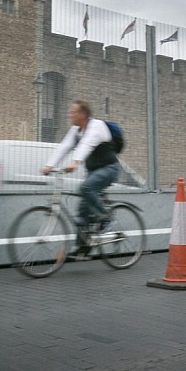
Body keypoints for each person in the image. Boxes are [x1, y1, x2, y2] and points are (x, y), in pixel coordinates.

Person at [41, 100, 121, 257]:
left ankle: (106, 218)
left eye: (73, 112)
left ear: (83, 114)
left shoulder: (96, 126)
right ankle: (83, 247)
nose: (69, 114)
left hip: (109, 169)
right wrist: (49, 165)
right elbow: (64, 147)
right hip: (93, 172)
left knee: (86, 188)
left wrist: (75, 162)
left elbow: (87, 144)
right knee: (82, 209)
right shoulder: (76, 130)